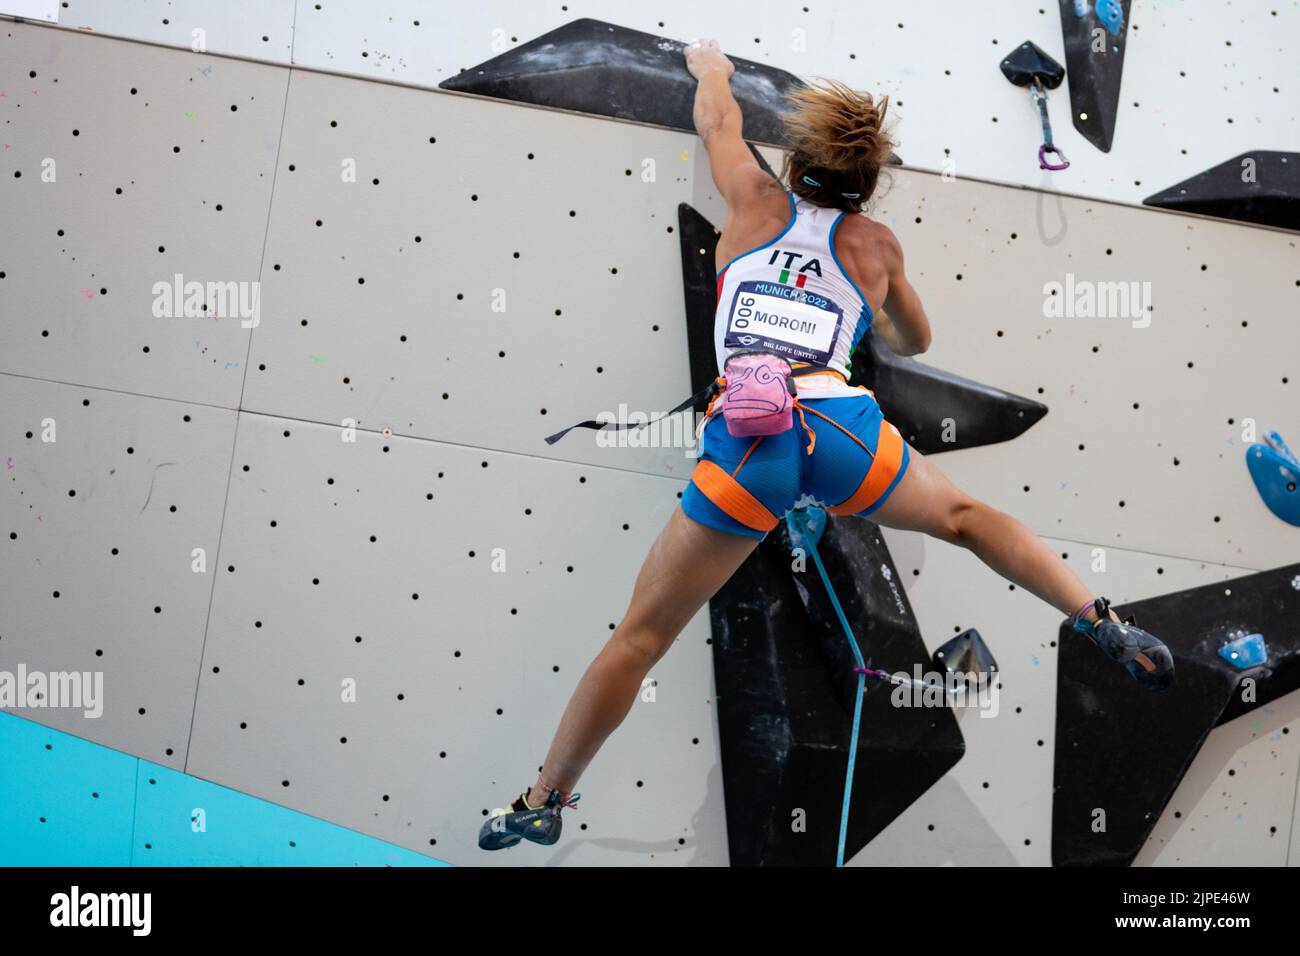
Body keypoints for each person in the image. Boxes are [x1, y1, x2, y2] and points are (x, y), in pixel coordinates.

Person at [478, 39, 1173, 853]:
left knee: (640, 638)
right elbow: (915, 337)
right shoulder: (875, 248)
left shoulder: (751, 200)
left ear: (795, 163)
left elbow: (718, 124)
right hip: (843, 428)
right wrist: (874, 301)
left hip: (751, 439)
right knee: (964, 516)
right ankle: (1098, 618)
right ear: (866, 186)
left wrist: (711, 72)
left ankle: (544, 797)